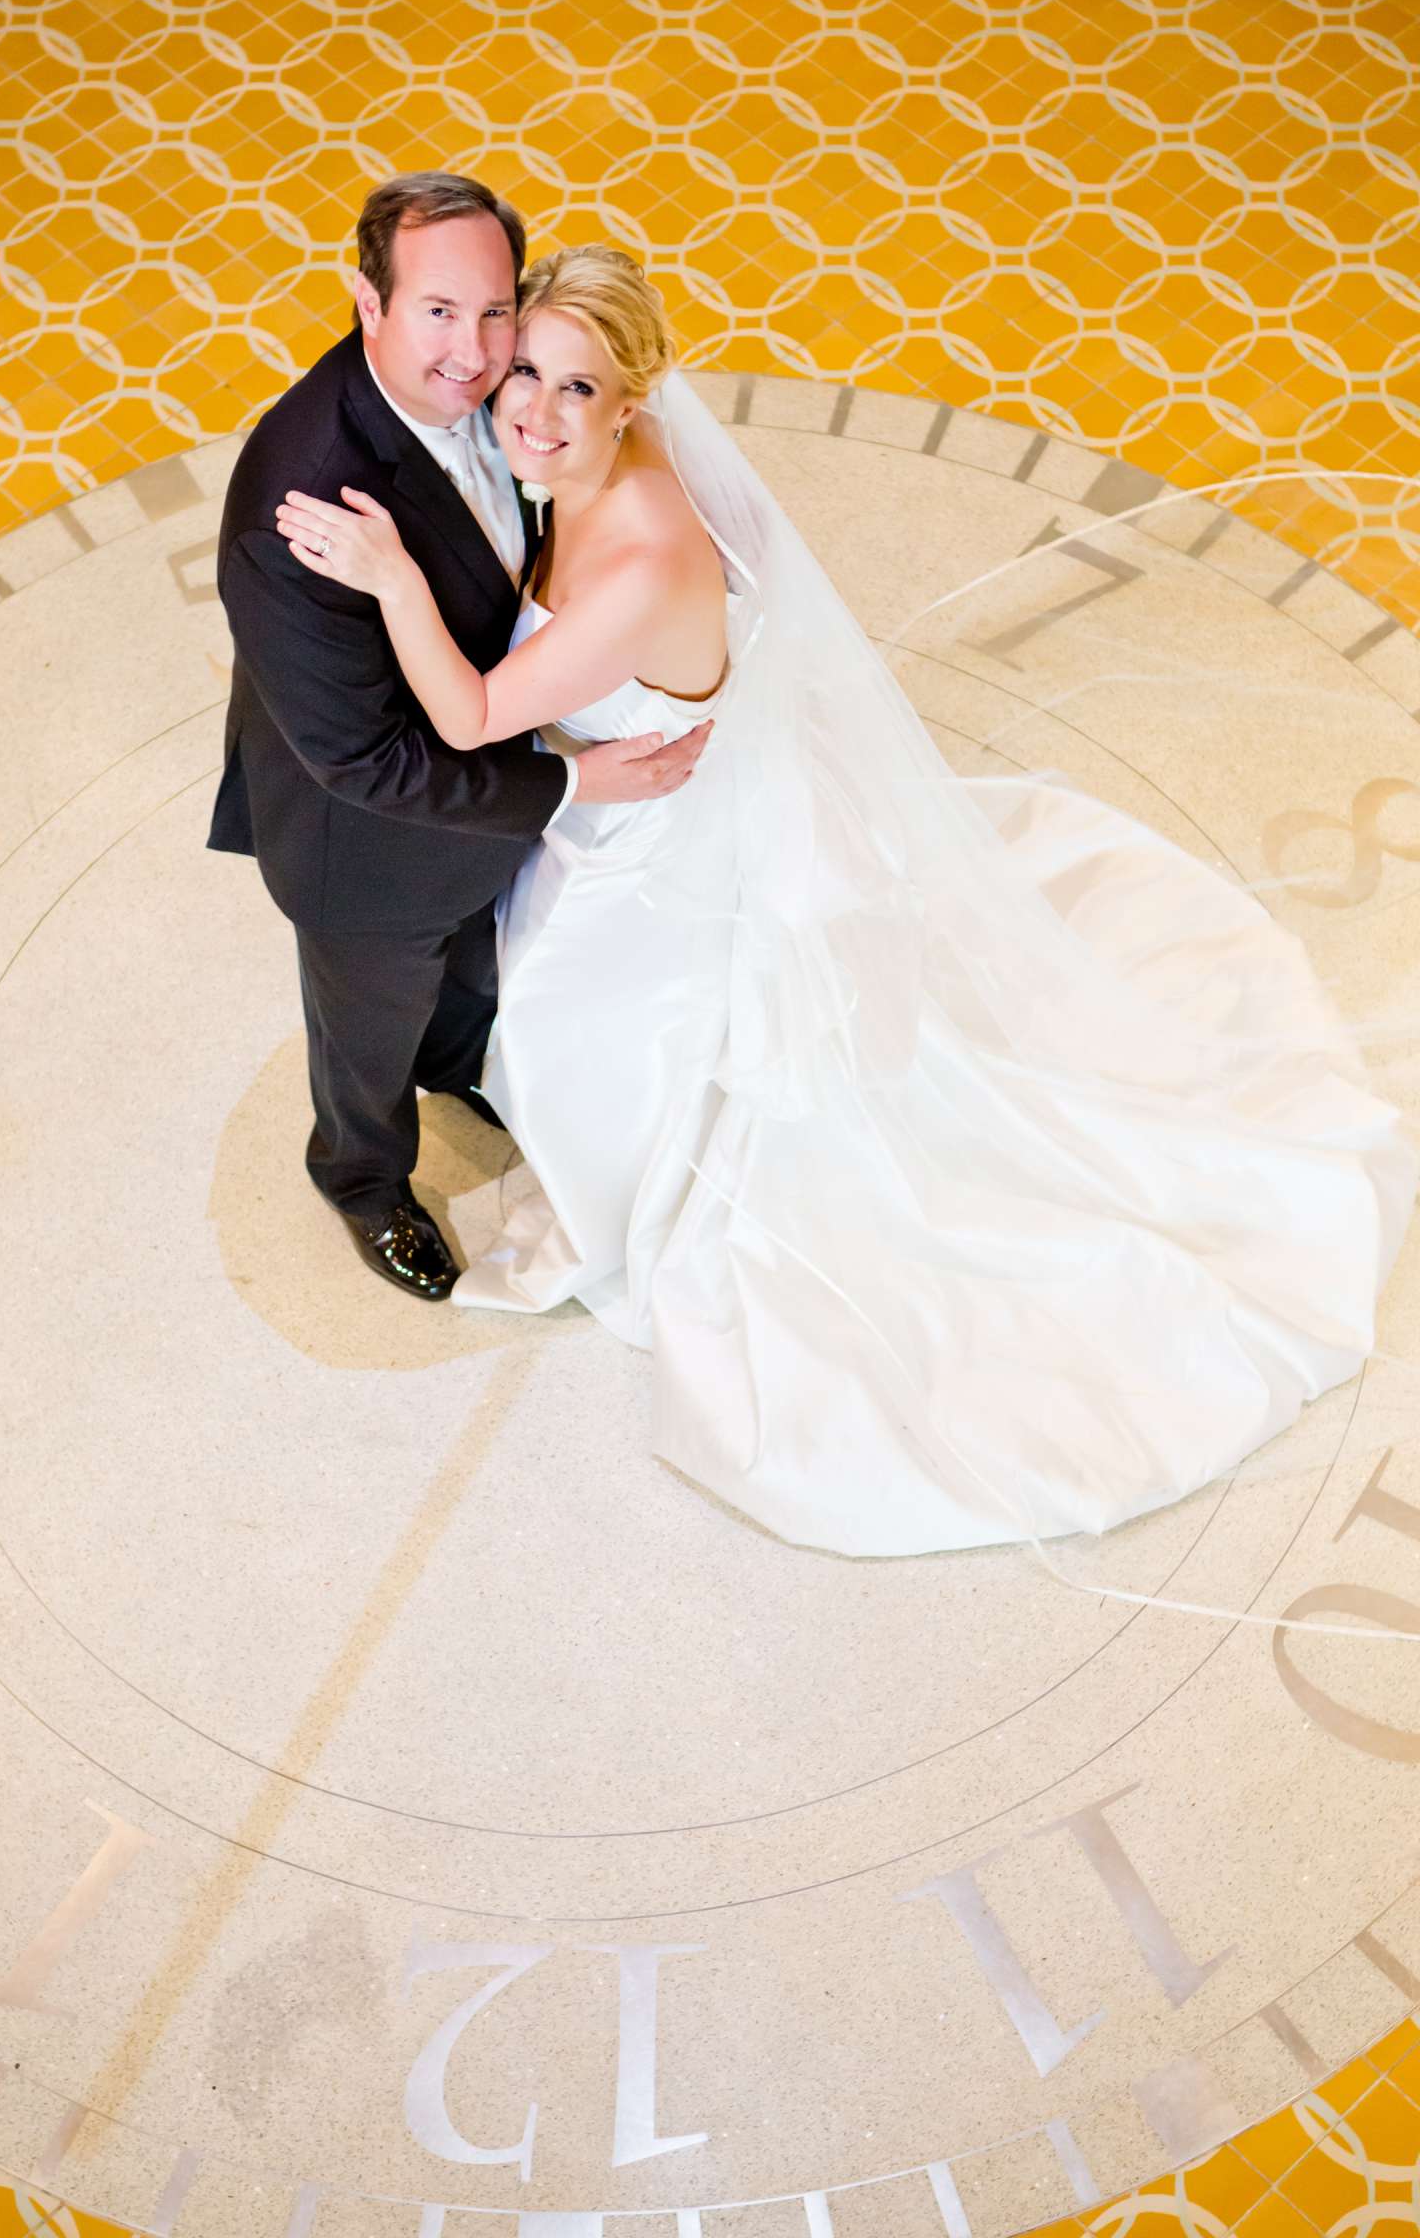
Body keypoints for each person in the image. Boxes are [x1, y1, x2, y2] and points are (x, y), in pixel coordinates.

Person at [274, 242, 1419, 1560]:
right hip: (651, 799)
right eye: (524, 369)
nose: (529, 408)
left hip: (648, 859)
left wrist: (392, 580)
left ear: (635, 401)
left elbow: (473, 711)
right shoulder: (598, 464)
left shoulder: (641, 562)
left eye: (574, 389)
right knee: (540, 999)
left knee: (582, 1027)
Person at [207, 176, 708, 1304]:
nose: (475, 354)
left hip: (482, 802)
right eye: (437, 311)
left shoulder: (510, 402)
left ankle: (453, 1064)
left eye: (494, 315)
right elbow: (362, 762)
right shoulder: (296, 503)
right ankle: (360, 1174)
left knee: (466, 979)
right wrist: (569, 782)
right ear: (365, 302)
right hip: (365, 848)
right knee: (365, 1030)